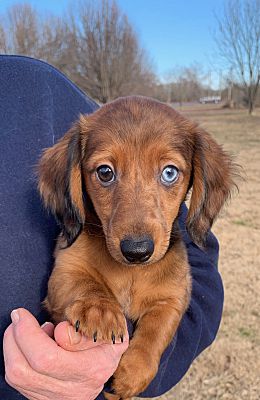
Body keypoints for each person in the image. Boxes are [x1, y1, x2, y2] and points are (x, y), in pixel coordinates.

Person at [0, 55, 224, 400]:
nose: (136, 231)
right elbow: (64, 280)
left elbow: (172, 302)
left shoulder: (40, 86)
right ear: (75, 180)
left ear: (196, 179)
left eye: (169, 173)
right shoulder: (81, 234)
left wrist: (147, 355)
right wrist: (91, 297)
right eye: (105, 173)